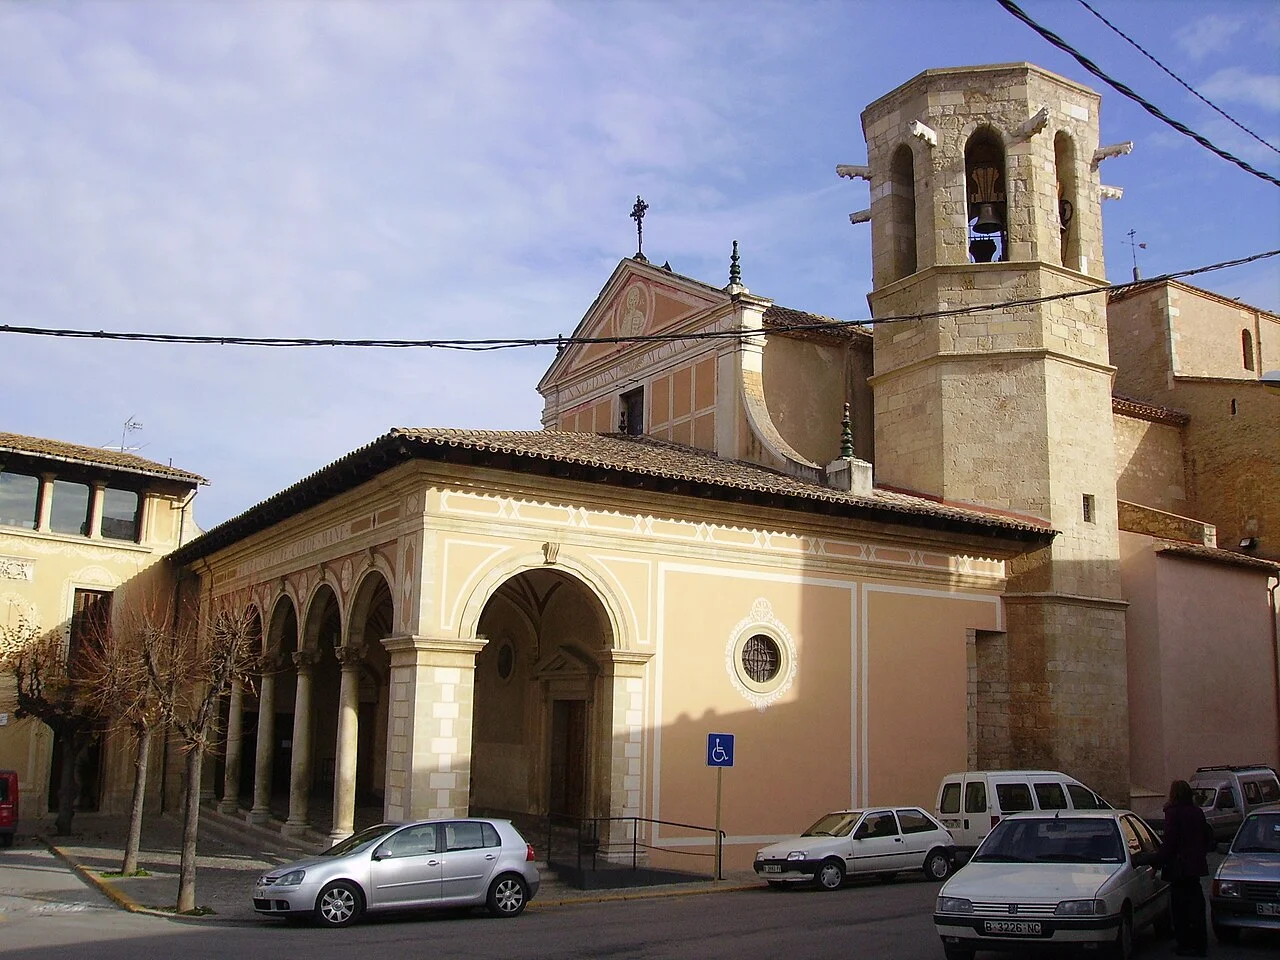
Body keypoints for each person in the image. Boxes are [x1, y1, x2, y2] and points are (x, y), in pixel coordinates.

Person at [1155, 779, 1214, 957]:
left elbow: (1170, 841)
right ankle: (1199, 942)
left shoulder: (1173, 813)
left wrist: (1158, 860)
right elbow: (1206, 836)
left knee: (1180, 907)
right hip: (1194, 866)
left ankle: (1185, 942)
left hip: (1179, 867)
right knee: (1196, 905)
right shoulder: (1197, 812)